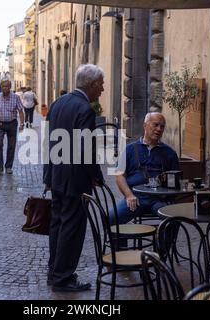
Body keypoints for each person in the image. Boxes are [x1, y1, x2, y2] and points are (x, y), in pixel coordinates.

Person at [44, 64, 104, 292]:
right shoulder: (85, 109)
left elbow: (48, 143)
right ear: (91, 84)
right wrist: (96, 176)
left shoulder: (58, 103)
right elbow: (86, 149)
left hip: (58, 176)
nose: (103, 89)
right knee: (72, 228)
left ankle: (54, 272)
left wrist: (48, 176)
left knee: (57, 225)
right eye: (101, 84)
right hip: (75, 179)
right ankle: (63, 277)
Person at [113, 112, 180, 225]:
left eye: (162, 126)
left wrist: (168, 195)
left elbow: (176, 179)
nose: (159, 129)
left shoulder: (169, 153)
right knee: (111, 218)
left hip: (159, 199)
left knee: (173, 219)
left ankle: (166, 243)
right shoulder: (130, 149)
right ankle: (120, 243)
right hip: (136, 198)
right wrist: (129, 195)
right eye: (155, 125)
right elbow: (119, 175)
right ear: (145, 125)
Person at [0, 79, 24, 175]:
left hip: (12, 124)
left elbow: (20, 110)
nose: (5, 88)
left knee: (11, 146)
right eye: (3, 86)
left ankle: (8, 167)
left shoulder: (16, 97)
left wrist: (22, 124)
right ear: (1, 87)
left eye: (7, 86)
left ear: (10, 87)